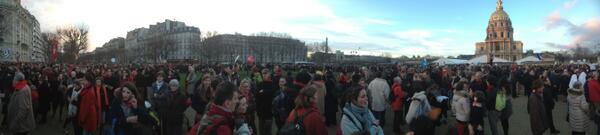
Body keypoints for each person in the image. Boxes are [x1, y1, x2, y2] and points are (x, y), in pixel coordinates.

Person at [256, 69, 275, 135]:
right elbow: (257, 95)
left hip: (269, 111)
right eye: (263, 73)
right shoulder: (260, 84)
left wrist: (263, 92)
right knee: (261, 130)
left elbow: (272, 93)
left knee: (268, 130)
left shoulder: (272, 84)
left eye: (265, 73)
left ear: (269, 74)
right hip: (261, 112)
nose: (263, 75)